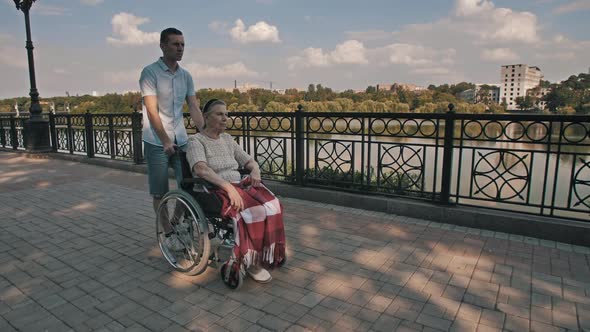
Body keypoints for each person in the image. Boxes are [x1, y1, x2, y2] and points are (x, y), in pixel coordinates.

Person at [186, 99, 286, 283]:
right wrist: (228, 187)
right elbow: (201, 169)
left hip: (237, 186)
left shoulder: (227, 139)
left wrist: (255, 169)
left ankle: (264, 251)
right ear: (206, 117)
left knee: (272, 205)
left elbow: (248, 160)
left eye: (226, 114)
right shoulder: (196, 141)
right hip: (212, 189)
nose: (225, 118)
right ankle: (250, 260)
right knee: (253, 211)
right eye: (220, 114)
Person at [140, 27, 204, 251]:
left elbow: (194, 106)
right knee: (159, 191)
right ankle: (168, 233)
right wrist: (165, 140)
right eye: (175, 44)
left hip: (181, 138)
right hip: (156, 140)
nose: (180, 49)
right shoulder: (150, 73)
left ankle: (176, 223)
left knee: (188, 185)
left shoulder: (186, 75)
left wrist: (205, 133)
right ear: (163, 45)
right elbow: (151, 110)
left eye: (183, 45)